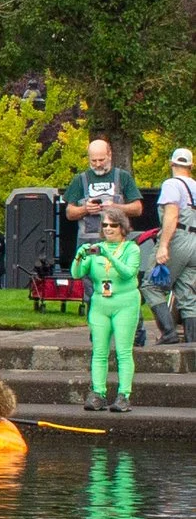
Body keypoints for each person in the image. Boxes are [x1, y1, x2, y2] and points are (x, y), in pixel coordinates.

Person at [73, 204, 143, 411]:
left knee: (123, 350)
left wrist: (109, 256)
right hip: (100, 303)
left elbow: (128, 273)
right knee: (99, 351)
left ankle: (124, 395)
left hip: (125, 302)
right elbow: (77, 273)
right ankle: (98, 393)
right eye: (105, 225)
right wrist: (80, 256)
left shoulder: (131, 248)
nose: (108, 229)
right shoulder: (96, 249)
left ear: (122, 227)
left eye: (113, 225)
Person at [62, 138, 142, 264]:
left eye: (101, 160)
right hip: (88, 245)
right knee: (88, 281)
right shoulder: (80, 180)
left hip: (117, 245)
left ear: (109, 155)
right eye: (93, 161)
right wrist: (85, 209)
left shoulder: (123, 177)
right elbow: (69, 213)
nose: (98, 164)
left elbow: (137, 208)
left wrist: (115, 207)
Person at [151, 147, 196, 343]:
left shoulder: (171, 184)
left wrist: (163, 245)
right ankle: (192, 343)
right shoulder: (195, 185)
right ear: (191, 166)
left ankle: (169, 333)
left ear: (171, 163)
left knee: (150, 285)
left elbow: (172, 215)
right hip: (194, 242)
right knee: (187, 292)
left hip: (177, 238)